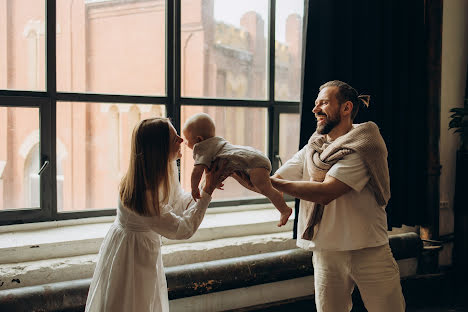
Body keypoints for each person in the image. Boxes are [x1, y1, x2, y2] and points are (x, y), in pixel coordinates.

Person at [270, 80, 406, 312]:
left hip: (368, 249)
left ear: (346, 108)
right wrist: (237, 167)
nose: (315, 110)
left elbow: (327, 192)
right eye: (315, 104)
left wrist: (267, 182)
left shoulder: (365, 144)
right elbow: (275, 182)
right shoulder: (314, 147)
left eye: (323, 103)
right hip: (326, 251)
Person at [85, 117, 228, 312]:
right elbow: (181, 229)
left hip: (141, 251)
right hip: (131, 259)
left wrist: (204, 186)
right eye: (174, 138)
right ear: (159, 150)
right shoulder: (142, 193)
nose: (181, 140)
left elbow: (177, 202)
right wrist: (207, 192)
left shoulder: (160, 172)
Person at [182, 112, 292, 227]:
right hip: (254, 158)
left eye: (187, 140)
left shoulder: (201, 147)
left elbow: (197, 171)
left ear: (199, 139)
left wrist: (194, 188)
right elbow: (211, 170)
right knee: (251, 184)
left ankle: (284, 209)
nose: (185, 143)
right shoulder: (215, 143)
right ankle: (275, 193)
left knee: (264, 188)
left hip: (254, 163)